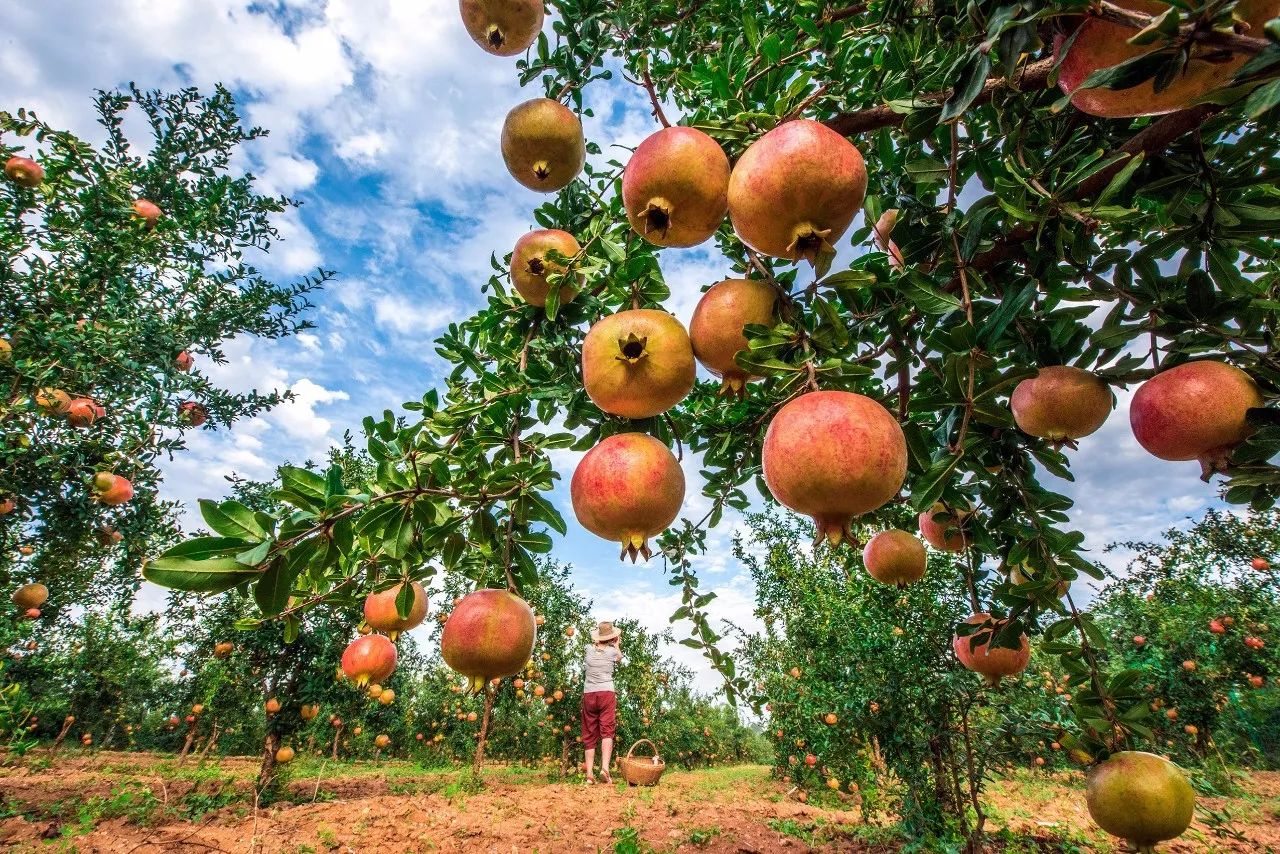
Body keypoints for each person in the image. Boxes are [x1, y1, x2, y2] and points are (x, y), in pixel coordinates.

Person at [582, 620, 623, 784]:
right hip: (606, 692)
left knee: (589, 732)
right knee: (607, 730)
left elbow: (594, 644)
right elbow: (619, 657)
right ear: (612, 638)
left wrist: (598, 640)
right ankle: (605, 769)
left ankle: (590, 774)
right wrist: (617, 644)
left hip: (589, 694)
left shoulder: (588, 649)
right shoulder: (612, 652)